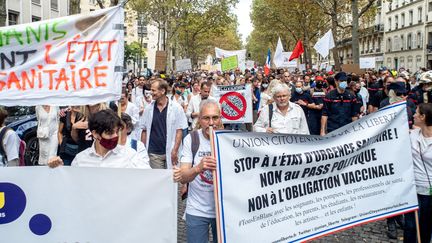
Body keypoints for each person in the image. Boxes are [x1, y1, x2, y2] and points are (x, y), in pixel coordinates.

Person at [173, 99, 223, 243]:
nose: (211, 122)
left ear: (220, 118)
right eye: (206, 118)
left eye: (215, 117)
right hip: (197, 209)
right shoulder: (191, 139)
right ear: (199, 119)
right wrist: (198, 168)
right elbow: (183, 177)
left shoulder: (228, 139)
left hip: (222, 211)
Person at [48, 109, 148, 169]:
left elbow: (149, 179)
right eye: (109, 133)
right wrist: (59, 170)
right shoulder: (80, 160)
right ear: (95, 134)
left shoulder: (130, 156)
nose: (115, 136)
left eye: (116, 131)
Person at [140, 78, 188, 169]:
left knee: (172, 180)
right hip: (154, 153)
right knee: (158, 181)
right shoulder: (148, 109)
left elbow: (179, 130)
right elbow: (144, 130)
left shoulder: (176, 108)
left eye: (153, 90)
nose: (151, 92)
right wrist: (143, 151)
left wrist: (175, 150)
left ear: (162, 91)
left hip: (171, 151)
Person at [404, 103, 432, 243]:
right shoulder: (412, 135)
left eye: (416, 113)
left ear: (423, 117)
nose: (413, 115)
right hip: (412, 189)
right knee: (409, 227)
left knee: (426, 228)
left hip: (429, 193)